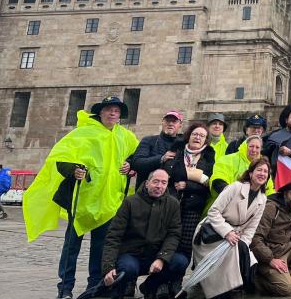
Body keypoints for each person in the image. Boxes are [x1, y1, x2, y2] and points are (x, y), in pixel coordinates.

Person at [22, 96, 138, 299]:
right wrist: (74, 170)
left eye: (116, 111)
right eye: (109, 110)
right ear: (100, 113)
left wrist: (131, 165)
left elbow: (136, 156)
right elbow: (61, 159)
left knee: (100, 248)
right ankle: (65, 287)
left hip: (108, 202)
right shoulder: (83, 133)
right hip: (82, 200)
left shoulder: (126, 137)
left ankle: (94, 286)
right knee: (71, 247)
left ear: (120, 116)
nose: (112, 113)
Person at [101, 169, 188, 299]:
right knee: (127, 268)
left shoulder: (173, 204)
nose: (159, 186)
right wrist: (108, 267)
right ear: (147, 183)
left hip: (156, 254)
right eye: (156, 182)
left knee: (180, 262)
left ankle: (150, 285)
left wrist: (161, 258)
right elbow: (114, 235)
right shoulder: (130, 202)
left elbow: (174, 234)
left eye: (164, 183)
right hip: (131, 254)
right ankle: (123, 287)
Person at [193, 158, 272, 299]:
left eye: (266, 171)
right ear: (250, 173)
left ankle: (233, 291)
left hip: (235, 238)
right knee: (235, 257)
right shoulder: (235, 187)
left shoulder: (263, 198)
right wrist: (227, 232)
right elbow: (213, 212)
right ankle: (223, 292)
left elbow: (251, 228)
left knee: (248, 259)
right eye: (259, 170)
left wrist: (243, 244)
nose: (262, 173)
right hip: (211, 232)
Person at [163, 122, 215, 259]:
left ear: (205, 140)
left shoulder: (209, 155)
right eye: (195, 134)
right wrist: (197, 176)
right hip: (171, 202)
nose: (197, 137)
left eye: (202, 136)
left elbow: (208, 183)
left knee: (185, 245)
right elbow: (168, 170)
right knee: (165, 241)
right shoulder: (177, 149)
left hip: (193, 206)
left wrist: (188, 185)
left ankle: (176, 279)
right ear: (189, 136)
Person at [129, 111, 184, 189]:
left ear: (180, 125)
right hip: (146, 193)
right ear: (162, 122)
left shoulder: (183, 146)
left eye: (174, 121)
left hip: (171, 195)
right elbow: (137, 163)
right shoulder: (148, 140)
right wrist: (161, 158)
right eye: (168, 120)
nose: (171, 124)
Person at [210, 136, 273, 204]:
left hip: (252, 208)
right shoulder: (227, 159)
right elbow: (218, 179)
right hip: (225, 203)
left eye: (257, 147)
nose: (254, 150)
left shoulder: (264, 167)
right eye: (251, 146)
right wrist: (234, 196)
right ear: (245, 146)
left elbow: (269, 190)